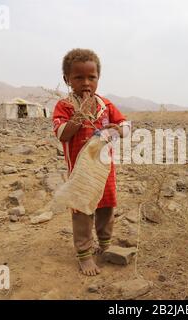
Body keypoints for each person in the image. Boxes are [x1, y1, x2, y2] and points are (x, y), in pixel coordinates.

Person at [52, 48, 130, 276]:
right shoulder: (64, 107)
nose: (86, 82)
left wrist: (119, 130)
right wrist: (79, 115)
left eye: (91, 77)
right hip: (80, 173)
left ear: (98, 78)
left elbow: (126, 125)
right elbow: (62, 134)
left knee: (106, 207)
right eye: (78, 77)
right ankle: (84, 254)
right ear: (67, 79)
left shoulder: (106, 105)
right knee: (82, 211)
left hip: (105, 170)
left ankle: (105, 245)